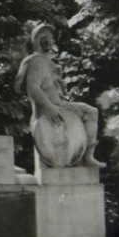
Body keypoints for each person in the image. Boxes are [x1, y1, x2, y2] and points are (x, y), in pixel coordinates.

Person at [15, 23, 104, 168]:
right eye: (46, 38)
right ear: (37, 40)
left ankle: (87, 156)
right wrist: (49, 107)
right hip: (49, 109)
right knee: (91, 112)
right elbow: (33, 88)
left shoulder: (48, 62)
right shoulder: (36, 60)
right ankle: (87, 157)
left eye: (51, 38)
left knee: (91, 112)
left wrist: (60, 85)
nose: (50, 42)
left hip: (60, 105)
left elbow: (51, 87)